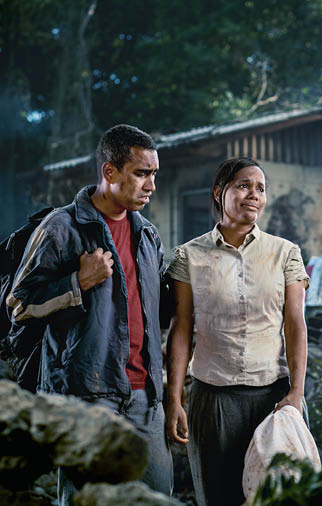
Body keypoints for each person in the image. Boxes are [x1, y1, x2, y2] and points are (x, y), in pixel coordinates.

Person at [8, 124, 173, 503]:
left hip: (146, 398)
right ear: (110, 171)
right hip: (87, 396)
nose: (151, 185)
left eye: (154, 175)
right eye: (141, 173)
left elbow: (156, 310)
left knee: (157, 499)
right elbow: (18, 305)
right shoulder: (62, 227)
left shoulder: (148, 234)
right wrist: (76, 284)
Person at [164, 157, 310, 506]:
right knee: (219, 498)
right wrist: (174, 399)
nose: (253, 195)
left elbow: (295, 324)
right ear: (219, 192)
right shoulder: (189, 256)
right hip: (212, 401)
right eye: (244, 185)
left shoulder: (285, 253)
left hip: (273, 400)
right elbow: (181, 330)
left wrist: (296, 393)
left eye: (260, 188)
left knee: (275, 498)